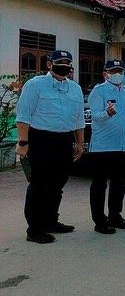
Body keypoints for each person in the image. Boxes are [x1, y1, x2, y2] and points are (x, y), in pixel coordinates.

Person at [15, 50, 84, 244]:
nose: (65, 65)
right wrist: (23, 142)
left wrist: (79, 142)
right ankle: (34, 229)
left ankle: (51, 221)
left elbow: (79, 119)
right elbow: (23, 115)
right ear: (49, 64)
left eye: (68, 62)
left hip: (64, 140)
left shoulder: (75, 89)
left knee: (58, 183)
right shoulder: (35, 85)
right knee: (39, 184)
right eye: (60, 61)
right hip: (40, 139)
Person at [88, 60, 125, 235]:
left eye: (120, 70)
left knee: (119, 183)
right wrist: (107, 113)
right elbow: (95, 116)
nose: (117, 73)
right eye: (113, 70)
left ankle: (115, 215)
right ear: (105, 74)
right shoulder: (99, 91)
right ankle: (100, 220)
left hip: (124, 145)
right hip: (103, 147)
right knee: (99, 185)